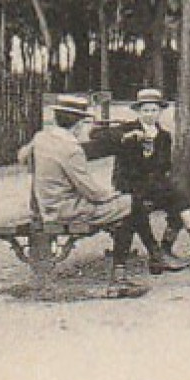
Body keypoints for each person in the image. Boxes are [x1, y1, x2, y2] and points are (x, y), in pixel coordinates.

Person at [21, 95, 149, 297]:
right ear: (79, 124)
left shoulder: (41, 138)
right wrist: (113, 195)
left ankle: (138, 262)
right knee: (131, 204)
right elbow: (89, 190)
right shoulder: (71, 149)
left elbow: (22, 156)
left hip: (47, 206)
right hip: (67, 209)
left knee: (126, 203)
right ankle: (119, 278)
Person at [107, 88, 190, 269]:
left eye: (153, 110)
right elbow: (99, 135)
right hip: (130, 185)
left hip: (153, 184)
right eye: (145, 110)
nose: (149, 115)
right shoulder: (127, 129)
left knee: (181, 200)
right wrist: (125, 137)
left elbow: (165, 165)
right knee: (139, 207)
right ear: (138, 111)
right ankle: (156, 253)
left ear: (159, 112)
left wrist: (152, 160)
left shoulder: (164, 136)